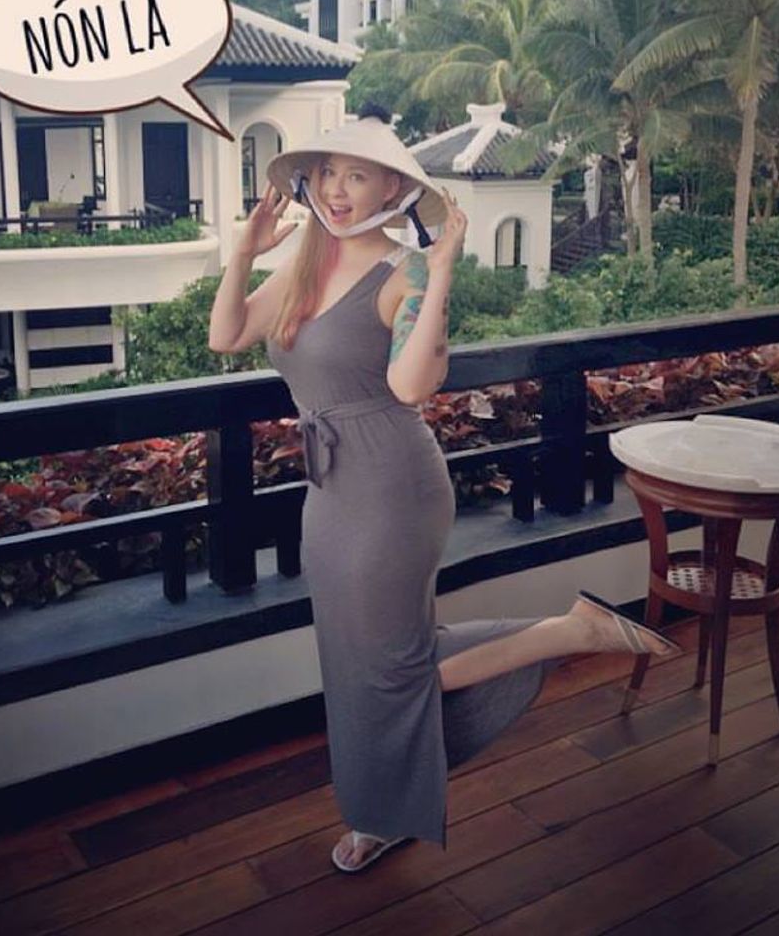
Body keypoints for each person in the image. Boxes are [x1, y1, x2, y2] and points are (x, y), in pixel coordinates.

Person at [208, 104, 679, 874]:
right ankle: (380, 807)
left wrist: (444, 269)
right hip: (329, 491)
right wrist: (243, 251)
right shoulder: (301, 268)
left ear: (393, 189)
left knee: (391, 666)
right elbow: (226, 333)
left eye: (356, 176)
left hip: (392, 489)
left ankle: (562, 637)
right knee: (355, 661)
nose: (336, 189)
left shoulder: (406, 272)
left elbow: (409, 385)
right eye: (326, 173)